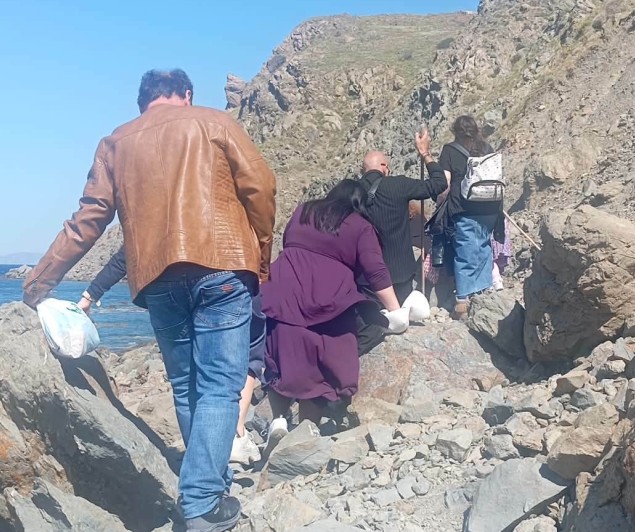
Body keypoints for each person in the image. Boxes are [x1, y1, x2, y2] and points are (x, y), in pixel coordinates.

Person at [22, 69, 276, 532]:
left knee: (186, 386)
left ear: (142, 102)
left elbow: (87, 220)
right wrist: (261, 254)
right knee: (221, 386)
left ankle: (211, 485)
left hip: (156, 277)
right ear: (186, 94)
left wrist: (39, 283)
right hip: (223, 263)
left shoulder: (115, 142)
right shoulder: (215, 122)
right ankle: (202, 502)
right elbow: (260, 188)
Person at [77, 247, 263, 466]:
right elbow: (261, 225)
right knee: (219, 387)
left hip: (162, 281)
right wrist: (259, 268)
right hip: (220, 271)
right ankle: (209, 479)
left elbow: (130, 248)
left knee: (184, 386)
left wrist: (90, 294)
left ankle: (202, 472)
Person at [260, 179, 401, 439]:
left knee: (282, 358)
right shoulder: (360, 226)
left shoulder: (303, 211)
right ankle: (307, 432)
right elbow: (376, 272)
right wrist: (395, 310)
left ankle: (278, 421)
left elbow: (288, 244)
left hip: (282, 294)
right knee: (320, 369)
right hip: (329, 302)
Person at [358, 129, 446, 304]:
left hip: (366, 276)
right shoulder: (398, 185)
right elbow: (439, 183)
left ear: (363, 169)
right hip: (400, 272)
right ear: (384, 167)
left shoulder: (351, 190)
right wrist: (425, 154)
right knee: (402, 313)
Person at [438, 115, 505, 319]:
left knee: (465, 252)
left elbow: (445, 184)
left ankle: (463, 301)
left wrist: (439, 202)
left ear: (455, 131)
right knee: (484, 248)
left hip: (464, 207)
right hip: (491, 207)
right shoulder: (488, 148)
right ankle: (483, 295)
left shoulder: (449, 150)